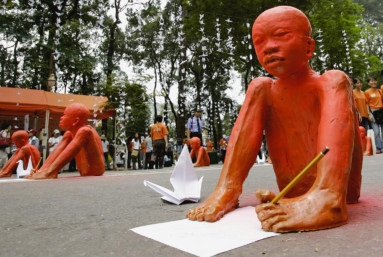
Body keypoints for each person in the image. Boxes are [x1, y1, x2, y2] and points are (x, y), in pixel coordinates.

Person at [187, 6, 362, 233]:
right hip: (292, 190)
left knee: (336, 78)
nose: (269, 47)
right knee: (259, 85)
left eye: (281, 36)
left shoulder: (328, 83)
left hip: (339, 188)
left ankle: (327, 197)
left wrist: (329, 193)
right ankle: (228, 188)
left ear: (309, 47)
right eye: (260, 42)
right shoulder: (265, 90)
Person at [27, 103, 105, 179]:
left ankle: (51, 172)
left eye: (64, 115)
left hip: (96, 170)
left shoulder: (86, 131)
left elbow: (70, 149)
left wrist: (50, 171)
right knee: (68, 134)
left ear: (75, 121)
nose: (61, 118)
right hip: (84, 171)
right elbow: (58, 149)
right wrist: (42, 170)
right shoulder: (70, 133)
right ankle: (48, 171)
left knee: (84, 131)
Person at [364, 77, 383, 153]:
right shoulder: (367, 92)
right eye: (371, 81)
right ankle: (379, 147)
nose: (373, 82)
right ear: (368, 83)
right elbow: (366, 104)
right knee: (376, 131)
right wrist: (369, 114)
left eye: (375, 80)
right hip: (373, 111)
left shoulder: (379, 91)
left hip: (381, 111)